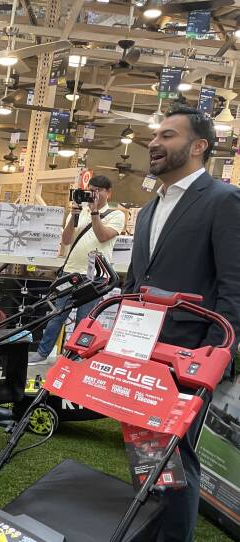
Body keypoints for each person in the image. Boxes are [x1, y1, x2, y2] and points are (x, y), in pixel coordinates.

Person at [124, 105, 240, 542]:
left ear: (198, 146)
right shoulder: (150, 209)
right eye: (155, 136)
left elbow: (235, 287)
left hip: (190, 360)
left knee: (178, 456)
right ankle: (148, 527)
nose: (154, 143)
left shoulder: (223, 200)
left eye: (168, 136)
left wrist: (212, 356)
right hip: (142, 354)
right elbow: (139, 283)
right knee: (146, 453)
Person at [28, 175, 125, 364]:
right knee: (57, 314)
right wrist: (73, 215)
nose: (93, 193)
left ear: (108, 193)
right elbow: (65, 240)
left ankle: (77, 357)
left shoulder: (116, 215)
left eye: (98, 190)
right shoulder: (80, 211)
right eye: (91, 189)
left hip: (96, 276)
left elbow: (103, 236)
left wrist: (95, 212)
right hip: (71, 271)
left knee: (84, 320)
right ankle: (42, 353)